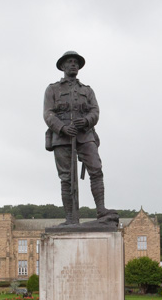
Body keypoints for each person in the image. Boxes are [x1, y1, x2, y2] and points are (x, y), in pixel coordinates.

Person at [43, 50, 117, 226]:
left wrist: (85, 121)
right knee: (66, 178)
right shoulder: (52, 89)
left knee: (96, 169)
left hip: (85, 135)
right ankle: (70, 217)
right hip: (61, 137)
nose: (73, 64)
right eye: (69, 61)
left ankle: (101, 210)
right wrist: (62, 128)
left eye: (75, 62)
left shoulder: (87, 90)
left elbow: (95, 111)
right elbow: (48, 113)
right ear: (62, 66)